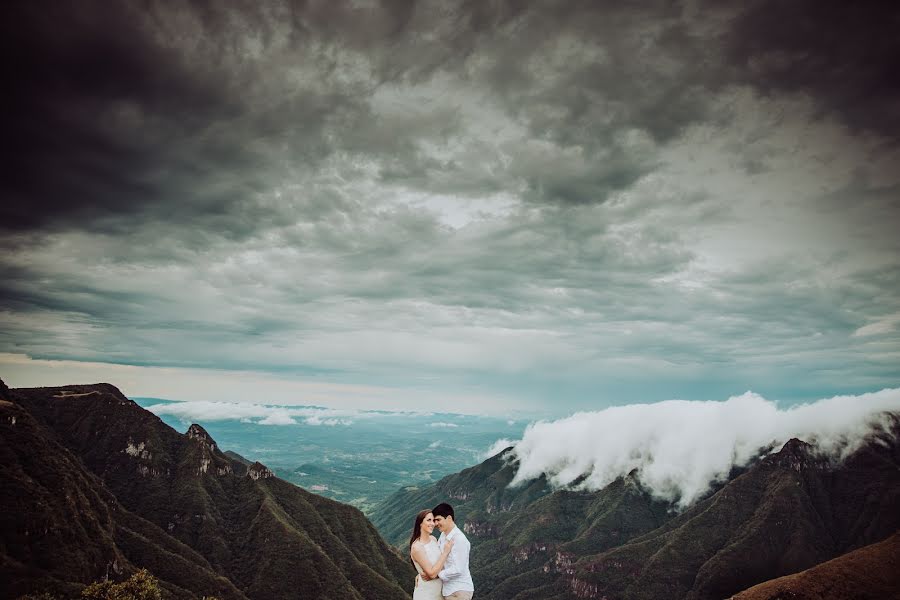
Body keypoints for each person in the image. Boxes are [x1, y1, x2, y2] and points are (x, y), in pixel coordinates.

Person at [429, 502, 474, 600]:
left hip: (459, 590)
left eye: (438, 519)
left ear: (449, 518)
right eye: (434, 520)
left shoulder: (459, 539)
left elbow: (458, 569)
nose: (436, 524)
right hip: (449, 589)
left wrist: (437, 574)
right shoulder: (443, 535)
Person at [409, 509, 454, 600]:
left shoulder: (433, 539)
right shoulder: (417, 547)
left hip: (439, 592)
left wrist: (419, 574)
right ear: (420, 523)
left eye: (433, 520)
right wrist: (445, 552)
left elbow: (437, 564)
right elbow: (432, 574)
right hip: (427, 594)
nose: (433, 524)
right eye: (428, 520)